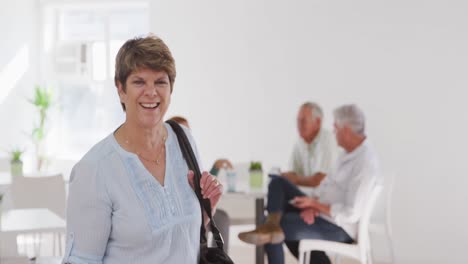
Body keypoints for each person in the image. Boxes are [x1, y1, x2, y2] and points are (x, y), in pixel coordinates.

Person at [63, 35, 224, 264]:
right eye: (139, 82)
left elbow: (182, 238)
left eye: (160, 82)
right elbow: (81, 260)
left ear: (171, 88)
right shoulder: (94, 170)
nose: (151, 92)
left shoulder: (184, 140)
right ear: (121, 90)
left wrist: (206, 210)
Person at [242, 104, 379, 264]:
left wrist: (315, 205)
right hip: (321, 211)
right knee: (278, 182)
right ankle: (275, 224)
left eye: (336, 128)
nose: (334, 132)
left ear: (346, 130)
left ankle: (272, 224)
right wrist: (313, 205)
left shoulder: (364, 163)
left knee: (274, 228)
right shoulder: (346, 154)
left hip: (339, 226)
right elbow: (326, 186)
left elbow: (351, 213)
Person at [238, 102, 338, 246]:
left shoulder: (327, 140)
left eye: (303, 120)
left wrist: (293, 179)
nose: (299, 124)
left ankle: (271, 225)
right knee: (272, 222)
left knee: (277, 187)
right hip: (302, 198)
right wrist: (287, 175)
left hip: (319, 200)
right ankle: (271, 226)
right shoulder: (300, 142)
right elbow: (293, 172)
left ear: (318, 122)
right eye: (297, 120)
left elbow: (320, 179)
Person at [168, 115, 232, 254]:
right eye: (183, 131)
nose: (187, 135)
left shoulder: (191, 156)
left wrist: (215, 169)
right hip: (181, 213)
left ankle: (218, 258)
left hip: (200, 209)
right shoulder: (165, 160)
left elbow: (201, 180)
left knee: (222, 218)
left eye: (188, 131)